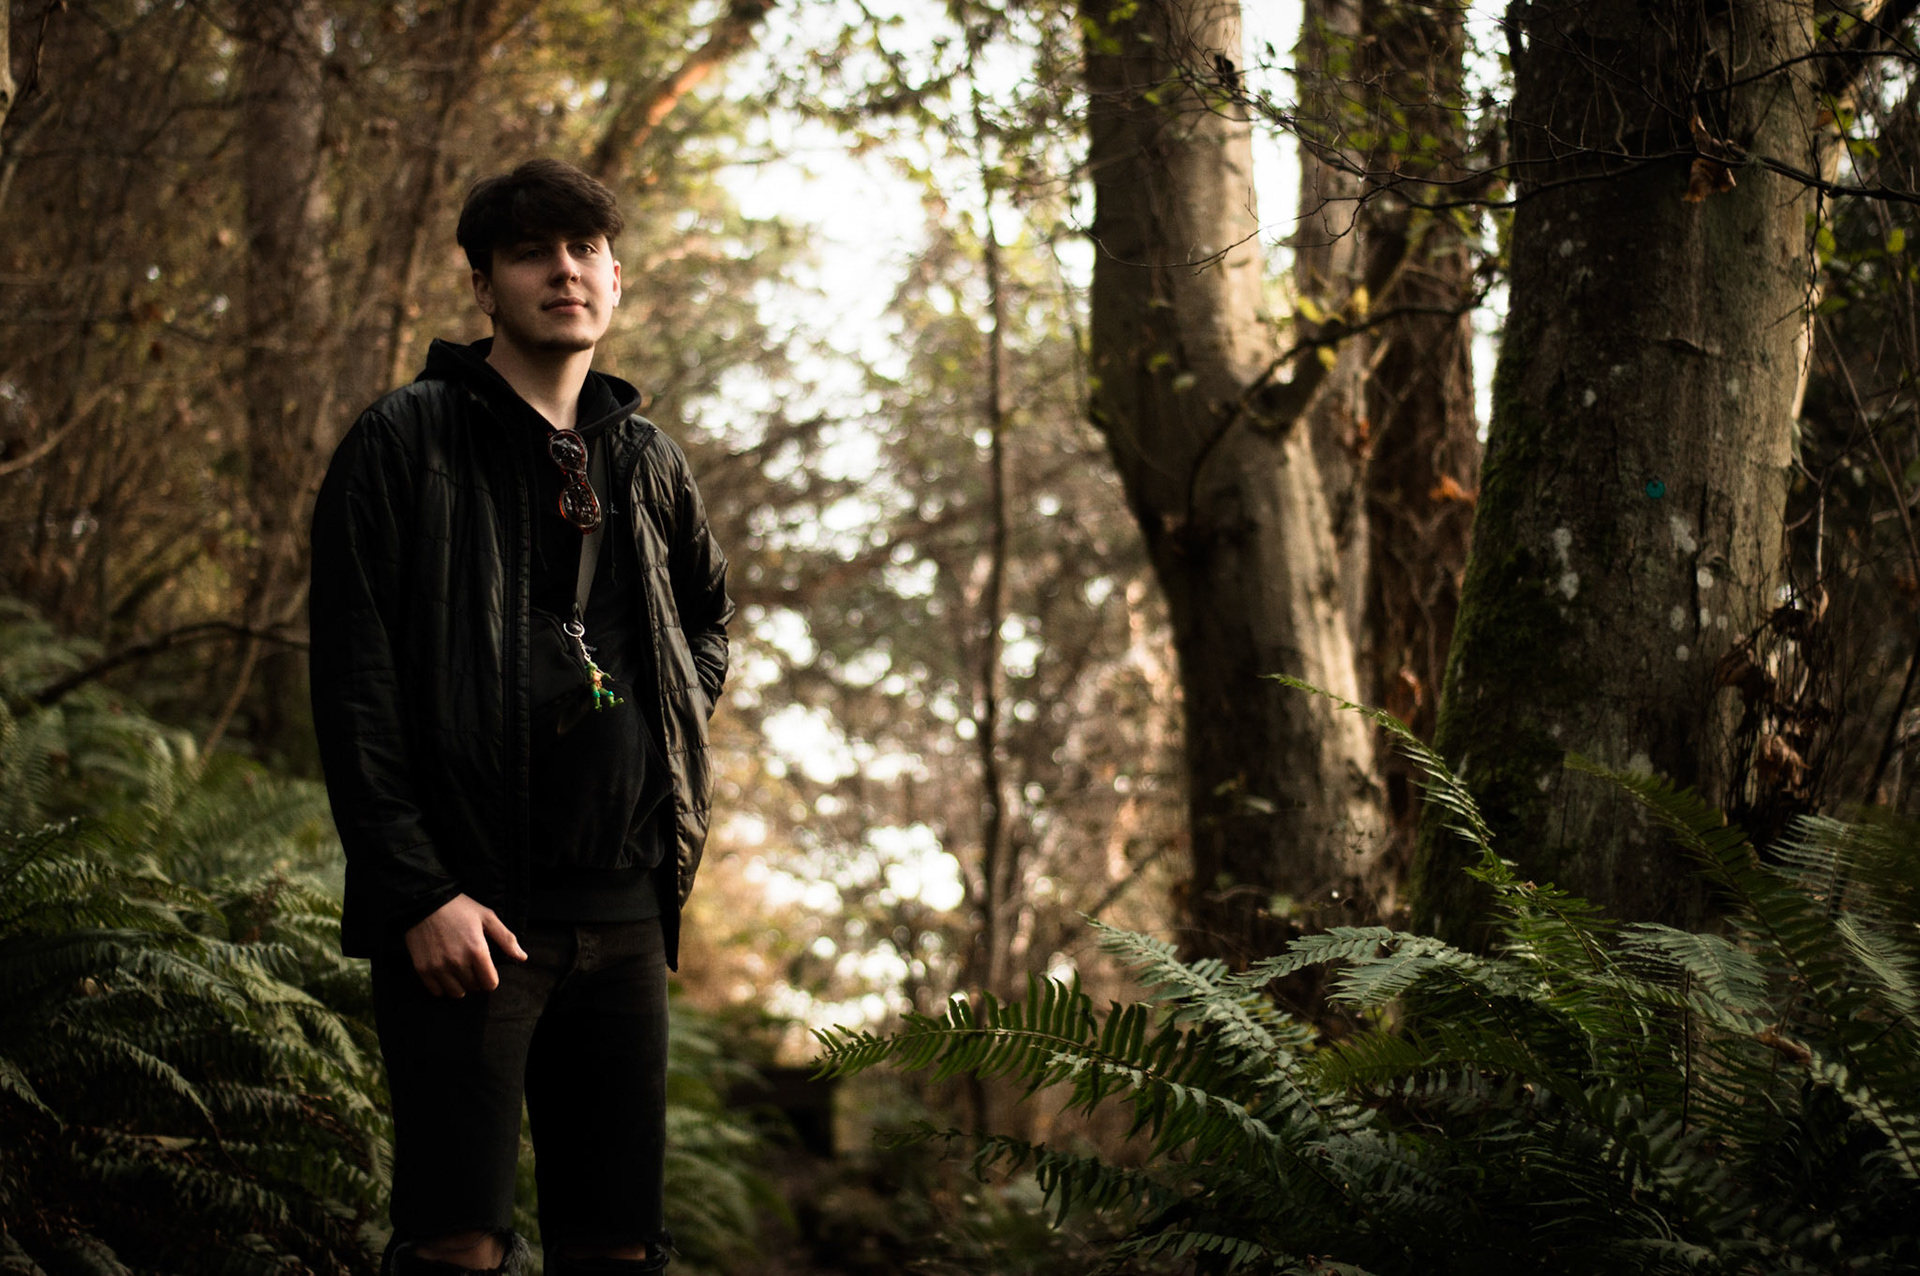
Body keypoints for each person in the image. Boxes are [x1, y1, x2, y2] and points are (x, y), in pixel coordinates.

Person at [309, 158, 732, 1276]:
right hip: (469, 917)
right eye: (533, 252)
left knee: (619, 1246)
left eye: (587, 249)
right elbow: (354, 685)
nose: (565, 271)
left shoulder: (648, 459)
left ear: (616, 277)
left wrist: (662, 723)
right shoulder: (402, 442)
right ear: (484, 284)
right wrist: (419, 891)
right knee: (457, 1240)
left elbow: (707, 618)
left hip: (626, 912)